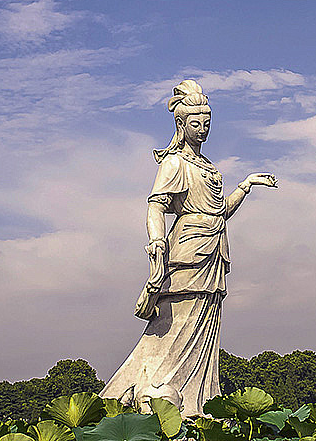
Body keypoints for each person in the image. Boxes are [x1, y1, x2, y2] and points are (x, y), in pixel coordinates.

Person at [100, 80, 277, 417]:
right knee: (177, 327)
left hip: (214, 251)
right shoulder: (174, 164)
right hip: (187, 252)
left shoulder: (208, 166)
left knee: (206, 328)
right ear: (180, 125)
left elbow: (219, 211)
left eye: (207, 123)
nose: (203, 129)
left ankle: (198, 398)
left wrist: (247, 184)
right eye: (196, 123)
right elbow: (156, 205)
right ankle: (155, 393)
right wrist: (156, 240)